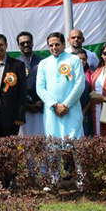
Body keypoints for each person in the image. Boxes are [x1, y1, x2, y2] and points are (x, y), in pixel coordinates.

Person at [37, 33, 85, 189]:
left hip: (71, 110)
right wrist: (54, 105)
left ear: (64, 44)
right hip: (52, 113)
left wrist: (65, 105)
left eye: (57, 44)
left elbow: (79, 85)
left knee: (76, 146)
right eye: (50, 45)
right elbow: (40, 88)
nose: (54, 48)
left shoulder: (74, 60)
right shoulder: (44, 64)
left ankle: (80, 179)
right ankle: (54, 180)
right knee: (53, 146)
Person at [16, 31, 44, 137]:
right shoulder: (16, 63)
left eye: (28, 42)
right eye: (22, 43)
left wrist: (42, 101)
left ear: (32, 43)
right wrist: (27, 105)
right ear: (19, 46)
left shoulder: (42, 61)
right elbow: (15, 89)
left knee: (42, 138)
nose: (26, 45)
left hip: (41, 107)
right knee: (26, 141)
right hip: (25, 109)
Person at [74, 49, 95, 136]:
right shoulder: (68, 74)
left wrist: (84, 112)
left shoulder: (91, 75)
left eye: (84, 59)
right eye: (79, 59)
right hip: (71, 111)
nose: (81, 61)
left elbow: (92, 96)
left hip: (85, 112)